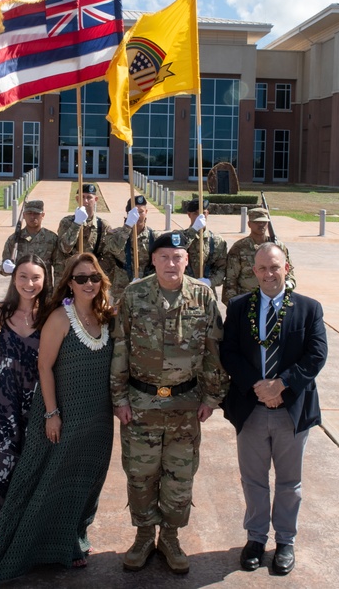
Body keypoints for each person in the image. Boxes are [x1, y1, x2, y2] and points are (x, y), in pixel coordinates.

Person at [0, 253, 115, 585]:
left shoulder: (107, 317)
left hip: (98, 418)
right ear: (69, 282)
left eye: (94, 278)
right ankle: (30, 543)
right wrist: (52, 414)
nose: (88, 284)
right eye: (81, 278)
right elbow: (44, 366)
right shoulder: (59, 318)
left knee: (86, 480)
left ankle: (74, 540)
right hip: (61, 412)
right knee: (51, 477)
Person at [110, 231, 229, 575]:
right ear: (153, 260)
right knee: (140, 475)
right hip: (141, 402)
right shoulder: (134, 294)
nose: (171, 263)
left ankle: (171, 538)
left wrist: (212, 396)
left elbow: (213, 350)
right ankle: (145, 535)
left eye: (177, 257)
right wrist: (118, 398)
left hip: (185, 404)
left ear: (187, 260)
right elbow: (120, 347)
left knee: (179, 477)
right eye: (164, 257)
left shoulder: (203, 296)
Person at [219, 242, 327, 575]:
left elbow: (316, 354)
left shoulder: (308, 308)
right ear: (254, 272)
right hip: (251, 408)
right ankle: (255, 539)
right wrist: (259, 387)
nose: (269, 274)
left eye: (275, 267)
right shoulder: (239, 307)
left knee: (289, 481)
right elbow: (230, 353)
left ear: (287, 268)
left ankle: (285, 541)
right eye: (263, 268)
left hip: (291, 409)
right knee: (253, 480)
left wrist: (281, 385)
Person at [0, 254, 53, 530]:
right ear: (14, 279)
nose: (29, 283)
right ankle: (3, 527)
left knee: (36, 459)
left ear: (45, 280)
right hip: (4, 396)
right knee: (3, 457)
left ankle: (33, 529)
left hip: (39, 392)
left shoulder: (53, 313)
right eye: (23, 276)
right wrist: (11, 360)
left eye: (36, 277)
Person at [223, 207, 296, 304]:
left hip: (275, 300)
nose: (261, 225)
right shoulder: (239, 248)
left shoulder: (278, 247)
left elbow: (289, 272)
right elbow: (230, 280)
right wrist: (234, 305)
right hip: (248, 300)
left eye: (264, 222)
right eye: (257, 222)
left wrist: (287, 286)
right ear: (249, 224)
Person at [99, 194, 156, 300]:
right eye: (134, 213)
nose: (138, 216)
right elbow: (115, 249)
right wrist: (128, 226)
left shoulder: (154, 237)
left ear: (146, 212)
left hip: (147, 290)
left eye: (141, 212)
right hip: (121, 290)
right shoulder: (115, 234)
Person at [54, 183, 110, 281]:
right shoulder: (66, 222)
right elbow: (64, 248)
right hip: (69, 276)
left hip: (92, 278)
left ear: (96, 199)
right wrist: (77, 223)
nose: (85, 201)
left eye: (89, 197)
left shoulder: (103, 225)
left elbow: (108, 256)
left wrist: (94, 271)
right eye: (82, 197)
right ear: (77, 199)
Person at [0, 200, 59, 277]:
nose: (32, 217)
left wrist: (58, 288)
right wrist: (5, 269)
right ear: (24, 215)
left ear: (43, 215)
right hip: (20, 287)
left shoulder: (52, 239)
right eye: (29, 213)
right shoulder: (14, 239)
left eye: (36, 213)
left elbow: (59, 268)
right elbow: (3, 268)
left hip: (44, 287)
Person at [181, 198, 227, 290]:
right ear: (189, 215)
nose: (200, 217)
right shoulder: (180, 235)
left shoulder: (217, 241)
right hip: (184, 289)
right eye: (196, 214)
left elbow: (222, 269)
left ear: (207, 214)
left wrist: (210, 282)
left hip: (207, 291)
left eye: (203, 213)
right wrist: (194, 230)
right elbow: (179, 249)